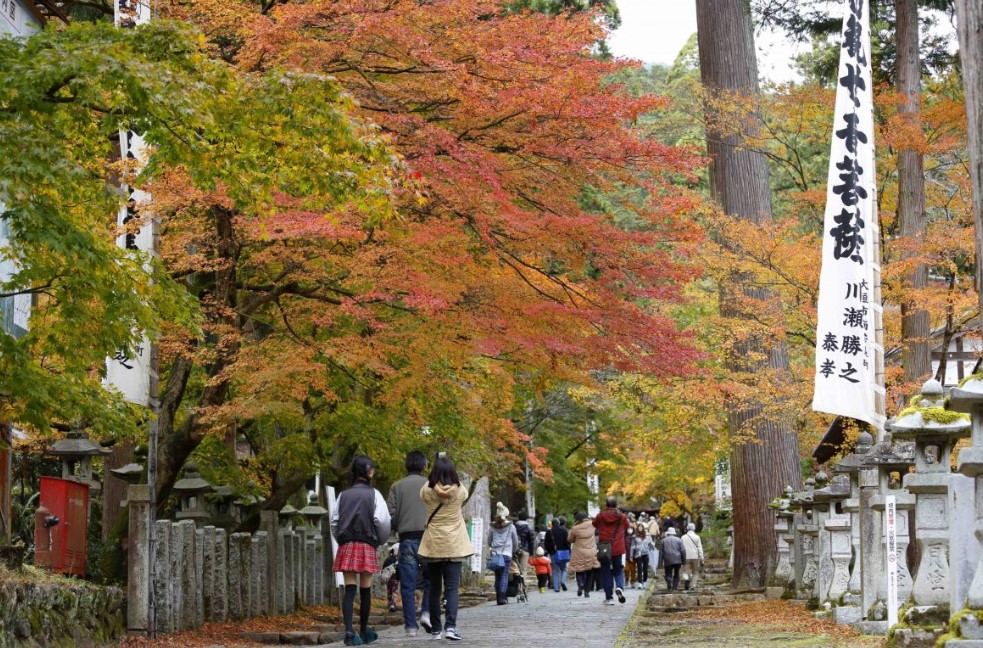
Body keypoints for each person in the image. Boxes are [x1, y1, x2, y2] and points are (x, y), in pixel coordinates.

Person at [330, 455, 392, 646]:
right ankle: (364, 630)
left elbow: (334, 521)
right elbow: (382, 520)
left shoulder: (343, 495)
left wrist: (341, 539)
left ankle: (349, 632)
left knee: (350, 588)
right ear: (369, 471)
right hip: (366, 542)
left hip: (347, 543)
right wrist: (379, 540)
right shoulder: (375, 494)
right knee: (365, 588)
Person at [418, 454, 472, 641]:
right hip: (454, 543)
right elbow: (463, 492)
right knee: (452, 588)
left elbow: (423, 492)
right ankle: (450, 627)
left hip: (434, 543)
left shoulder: (427, 490)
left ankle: (435, 630)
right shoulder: (460, 491)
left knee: (434, 587)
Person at [386, 450, 430, 637]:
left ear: (406, 466)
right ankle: (427, 613)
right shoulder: (431, 485)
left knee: (407, 584)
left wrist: (398, 526)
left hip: (406, 539)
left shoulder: (397, 486)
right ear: (424, 466)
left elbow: (391, 514)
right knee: (430, 580)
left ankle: (410, 626)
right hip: (429, 538)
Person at [593, 496, 629, 605]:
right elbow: (627, 526)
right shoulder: (622, 517)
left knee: (606, 572)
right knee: (618, 570)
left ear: (607, 505)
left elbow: (594, 524)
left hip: (605, 548)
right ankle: (619, 587)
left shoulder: (601, 516)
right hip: (618, 547)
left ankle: (609, 598)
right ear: (616, 505)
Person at [487, 502, 519, 605]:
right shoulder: (511, 527)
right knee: (504, 576)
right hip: (507, 554)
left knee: (498, 576)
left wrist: (494, 546)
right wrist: (513, 550)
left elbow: (489, 540)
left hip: (496, 554)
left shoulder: (492, 526)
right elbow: (515, 542)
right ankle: (502, 597)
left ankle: (498, 597)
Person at [566, 510, 600, 598]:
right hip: (591, 551)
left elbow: (570, 540)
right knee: (590, 571)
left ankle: (580, 584)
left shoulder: (575, 528)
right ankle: (587, 591)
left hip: (579, 552)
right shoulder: (592, 525)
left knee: (579, 570)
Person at [544, 516, 570, 592]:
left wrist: (549, 551)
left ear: (552, 524)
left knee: (555, 570)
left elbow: (546, 544)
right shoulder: (564, 530)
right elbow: (568, 541)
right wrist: (568, 550)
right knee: (564, 569)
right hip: (563, 552)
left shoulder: (549, 532)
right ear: (558, 523)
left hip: (553, 553)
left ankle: (556, 588)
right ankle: (563, 581)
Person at [681, 522, 705, 590]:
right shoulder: (697, 537)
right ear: (694, 529)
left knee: (685, 571)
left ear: (687, 528)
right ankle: (693, 585)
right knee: (695, 572)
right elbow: (699, 548)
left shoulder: (683, 537)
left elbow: (681, 548)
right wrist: (702, 558)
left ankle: (686, 579)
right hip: (695, 556)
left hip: (686, 557)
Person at [661, 526, 686, 591]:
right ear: (674, 533)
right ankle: (675, 587)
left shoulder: (663, 541)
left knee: (668, 573)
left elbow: (661, 553)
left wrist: (660, 563)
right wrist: (683, 561)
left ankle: (669, 580)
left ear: (668, 533)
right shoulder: (679, 540)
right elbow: (683, 551)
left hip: (667, 560)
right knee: (676, 573)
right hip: (678, 559)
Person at [515, 511, 536, 578]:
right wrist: (531, 553)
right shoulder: (529, 528)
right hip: (525, 550)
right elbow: (531, 542)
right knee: (523, 569)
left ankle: (515, 584)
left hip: (515, 550)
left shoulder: (513, 527)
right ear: (526, 518)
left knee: (515, 568)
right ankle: (522, 585)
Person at [633, 524, 653, 588]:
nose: (640, 528)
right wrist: (631, 555)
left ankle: (644, 581)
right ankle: (640, 583)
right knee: (639, 569)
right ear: (637, 528)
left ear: (643, 528)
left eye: (641, 527)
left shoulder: (647, 535)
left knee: (645, 569)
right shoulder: (635, 536)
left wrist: (651, 543)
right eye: (639, 527)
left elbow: (651, 545)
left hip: (645, 554)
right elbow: (632, 546)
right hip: (638, 554)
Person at [381, 545, 400, 612]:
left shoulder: (387, 559)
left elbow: (383, 569)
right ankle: (394, 605)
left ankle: (389, 604)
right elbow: (398, 570)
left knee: (389, 591)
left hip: (388, 578)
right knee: (394, 591)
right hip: (395, 578)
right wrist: (399, 578)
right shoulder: (396, 560)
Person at [646, 514, 662, 578]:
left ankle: (652, 546)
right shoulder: (655, 522)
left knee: (651, 540)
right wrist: (658, 532)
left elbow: (647, 527)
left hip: (650, 533)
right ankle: (653, 546)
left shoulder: (649, 522)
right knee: (653, 541)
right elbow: (657, 528)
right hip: (654, 533)